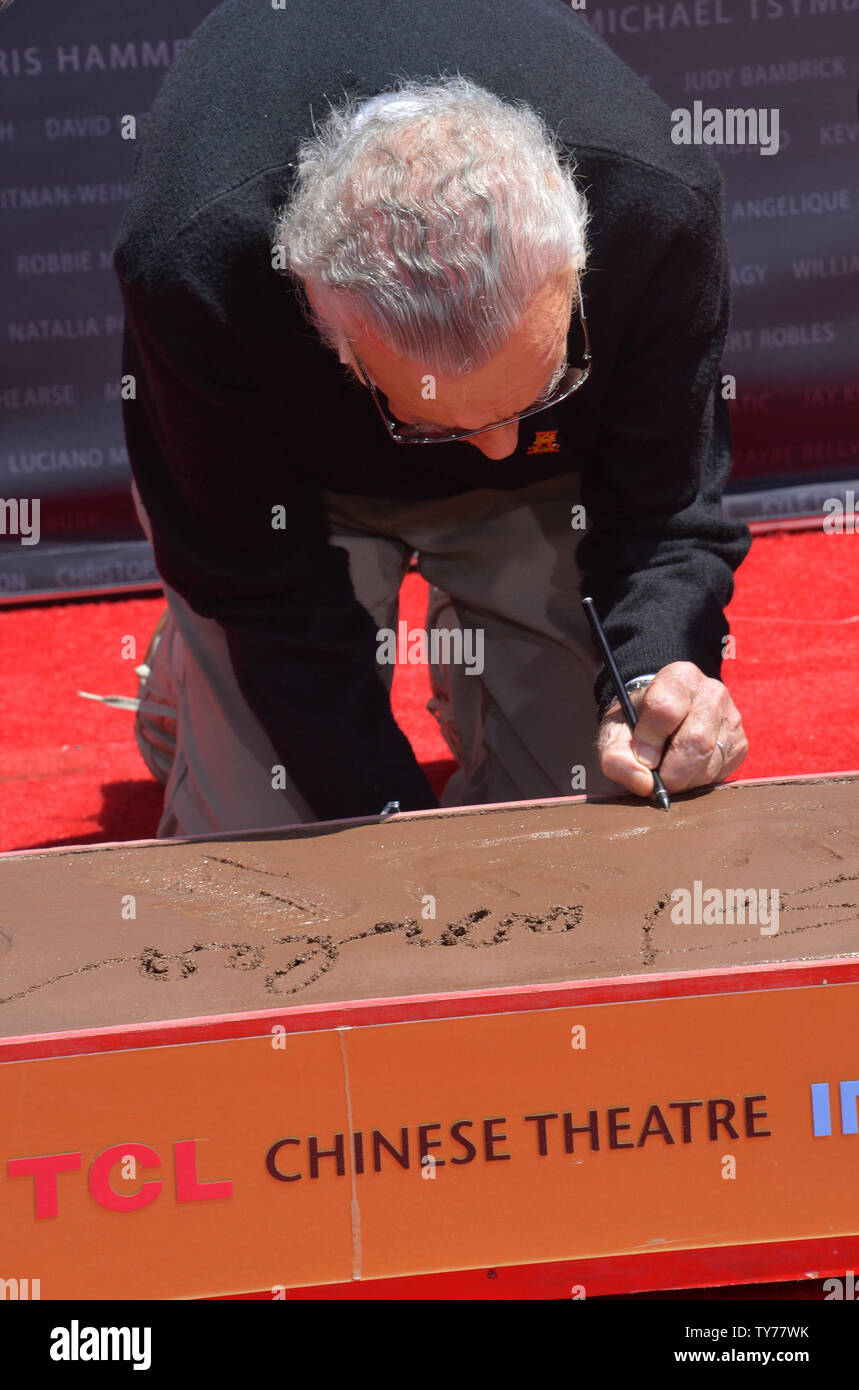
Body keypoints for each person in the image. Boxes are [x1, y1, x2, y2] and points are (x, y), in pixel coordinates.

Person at [113, 0, 750, 839]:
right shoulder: (195, 265)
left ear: (579, 256)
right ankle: (188, 674)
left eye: (544, 384)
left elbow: (664, 512)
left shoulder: (655, 208)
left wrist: (651, 674)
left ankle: (479, 633)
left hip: (559, 481)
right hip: (299, 487)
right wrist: (393, 830)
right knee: (276, 856)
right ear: (321, 321)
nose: (495, 448)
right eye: (437, 420)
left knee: (586, 819)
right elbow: (260, 583)